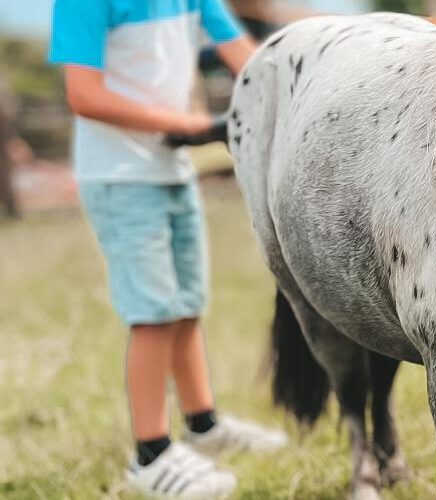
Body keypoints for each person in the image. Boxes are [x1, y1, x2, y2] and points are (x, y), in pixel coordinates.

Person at [48, 1, 287, 498]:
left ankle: (203, 427)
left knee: (185, 308)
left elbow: (249, 58)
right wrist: (182, 124)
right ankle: (150, 456)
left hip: (173, 171)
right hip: (120, 178)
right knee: (153, 314)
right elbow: (83, 94)